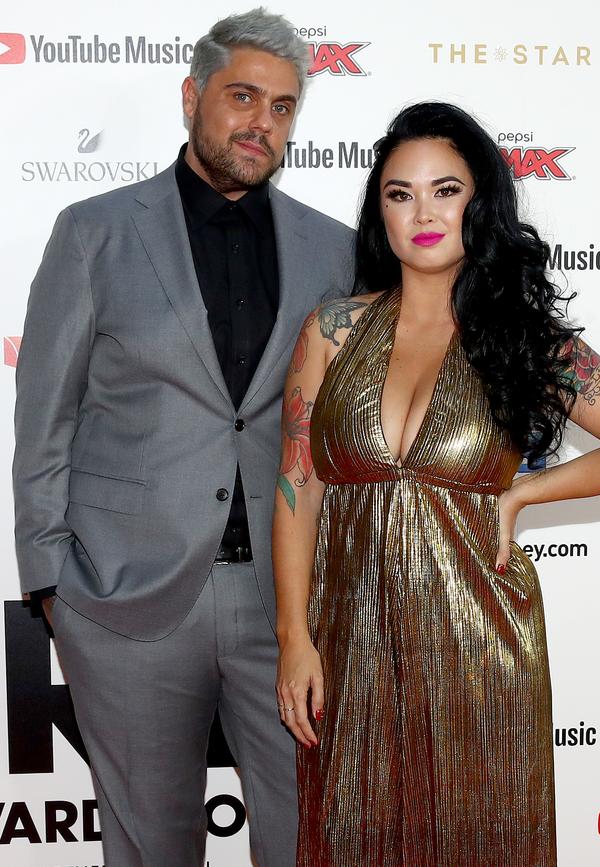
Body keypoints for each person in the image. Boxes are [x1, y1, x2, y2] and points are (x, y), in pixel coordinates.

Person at [13, 9, 354, 867]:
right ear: (192, 97)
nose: (261, 123)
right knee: (150, 851)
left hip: (286, 605)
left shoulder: (334, 250)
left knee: (308, 841)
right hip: (128, 601)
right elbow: (43, 416)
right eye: (243, 97)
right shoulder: (94, 232)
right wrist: (52, 581)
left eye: (282, 108)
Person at [272, 102, 600, 866]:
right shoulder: (332, 331)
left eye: (445, 190)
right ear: (379, 211)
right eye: (399, 193)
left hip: (481, 644)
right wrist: (293, 638)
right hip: (350, 640)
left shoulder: (523, 337)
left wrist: (524, 493)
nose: (422, 212)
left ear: (479, 203)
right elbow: (299, 489)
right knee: (352, 832)